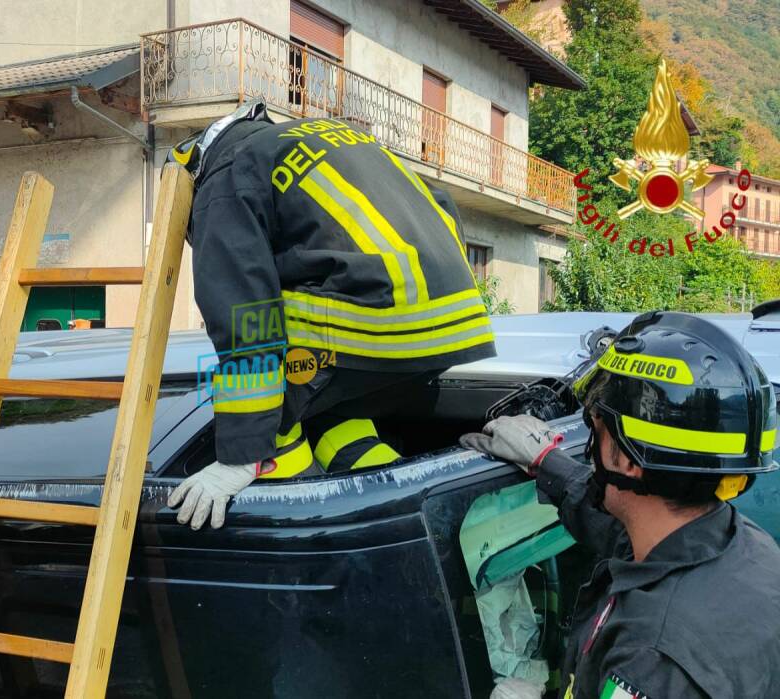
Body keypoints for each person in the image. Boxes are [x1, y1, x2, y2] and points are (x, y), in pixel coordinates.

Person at [166, 101, 495, 529]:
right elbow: (440, 204)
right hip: (454, 323)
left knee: (276, 402)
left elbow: (245, 313)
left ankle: (293, 512)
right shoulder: (332, 138)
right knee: (332, 416)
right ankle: (431, 521)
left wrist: (241, 453)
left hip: (372, 321)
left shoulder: (226, 175)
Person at [460, 310, 780, 698]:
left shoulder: (651, 661)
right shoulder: (746, 549)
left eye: (596, 428)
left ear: (629, 461)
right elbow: (610, 523)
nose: (591, 450)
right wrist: (545, 462)